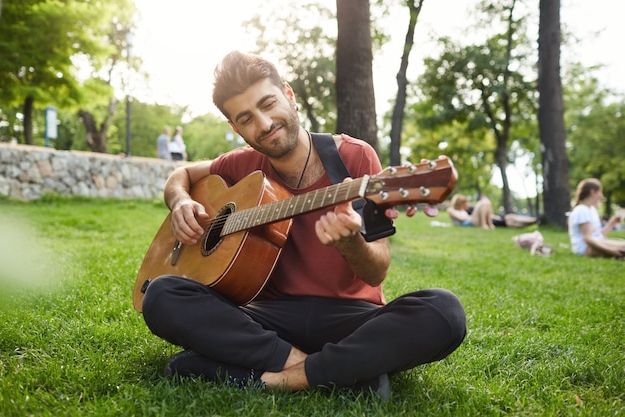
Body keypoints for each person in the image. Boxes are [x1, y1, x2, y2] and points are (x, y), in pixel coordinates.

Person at [139, 51, 466, 399]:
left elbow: (376, 273)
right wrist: (181, 201)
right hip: (266, 318)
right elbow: (183, 174)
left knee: (444, 312)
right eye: (246, 118)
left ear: (289, 95)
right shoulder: (242, 165)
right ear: (235, 127)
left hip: (348, 319)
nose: (264, 124)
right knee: (160, 294)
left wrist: (351, 242)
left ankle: (272, 378)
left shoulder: (354, 157)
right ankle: (337, 372)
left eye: (269, 104)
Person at [568, 178, 625, 259]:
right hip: (586, 248)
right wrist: (610, 250)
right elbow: (588, 239)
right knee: (622, 248)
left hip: (597, 243)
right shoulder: (581, 210)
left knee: (623, 245)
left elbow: (598, 235)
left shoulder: (592, 210)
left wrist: (612, 223)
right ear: (592, 192)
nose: (601, 196)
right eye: (600, 192)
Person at [447, 193, 537, 229]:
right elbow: (462, 219)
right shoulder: (451, 210)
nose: (466, 205)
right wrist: (472, 215)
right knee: (482, 203)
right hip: (468, 222)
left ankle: (535, 220)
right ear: (460, 203)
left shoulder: (464, 210)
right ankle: (485, 224)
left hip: (472, 220)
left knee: (485, 203)